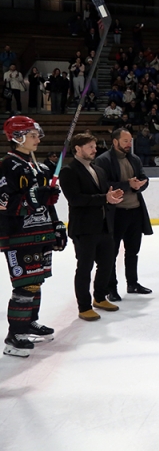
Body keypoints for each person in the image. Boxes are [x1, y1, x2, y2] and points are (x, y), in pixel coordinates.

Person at [1, 117, 65, 357]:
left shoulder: (37, 166)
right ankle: (14, 334)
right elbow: (3, 202)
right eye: (33, 135)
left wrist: (57, 225)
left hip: (40, 232)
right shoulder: (7, 165)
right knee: (24, 284)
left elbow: (46, 202)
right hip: (20, 235)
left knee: (36, 281)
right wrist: (34, 197)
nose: (39, 138)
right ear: (18, 137)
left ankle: (28, 322)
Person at [59, 133, 125, 321]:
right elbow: (75, 199)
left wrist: (111, 197)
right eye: (90, 146)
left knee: (106, 265)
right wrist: (104, 198)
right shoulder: (69, 171)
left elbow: (104, 196)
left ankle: (99, 297)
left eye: (94, 146)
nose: (94, 150)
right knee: (85, 268)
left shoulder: (99, 170)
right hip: (84, 229)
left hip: (104, 226)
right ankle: (84, 306)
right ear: (78, 149)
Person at [94, 128, 153, 300]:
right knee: (111, 254)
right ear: (115, 141)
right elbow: (104, 185)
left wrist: (140, 184)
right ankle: (111, 288)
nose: (129, 144)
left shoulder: (134, 159)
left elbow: (143, 179)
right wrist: (128, 185)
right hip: (116, 214)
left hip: (135, 212)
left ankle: (132, 283)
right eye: (125, 141)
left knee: (133, 251)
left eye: (130, 141)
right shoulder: (103, 160)